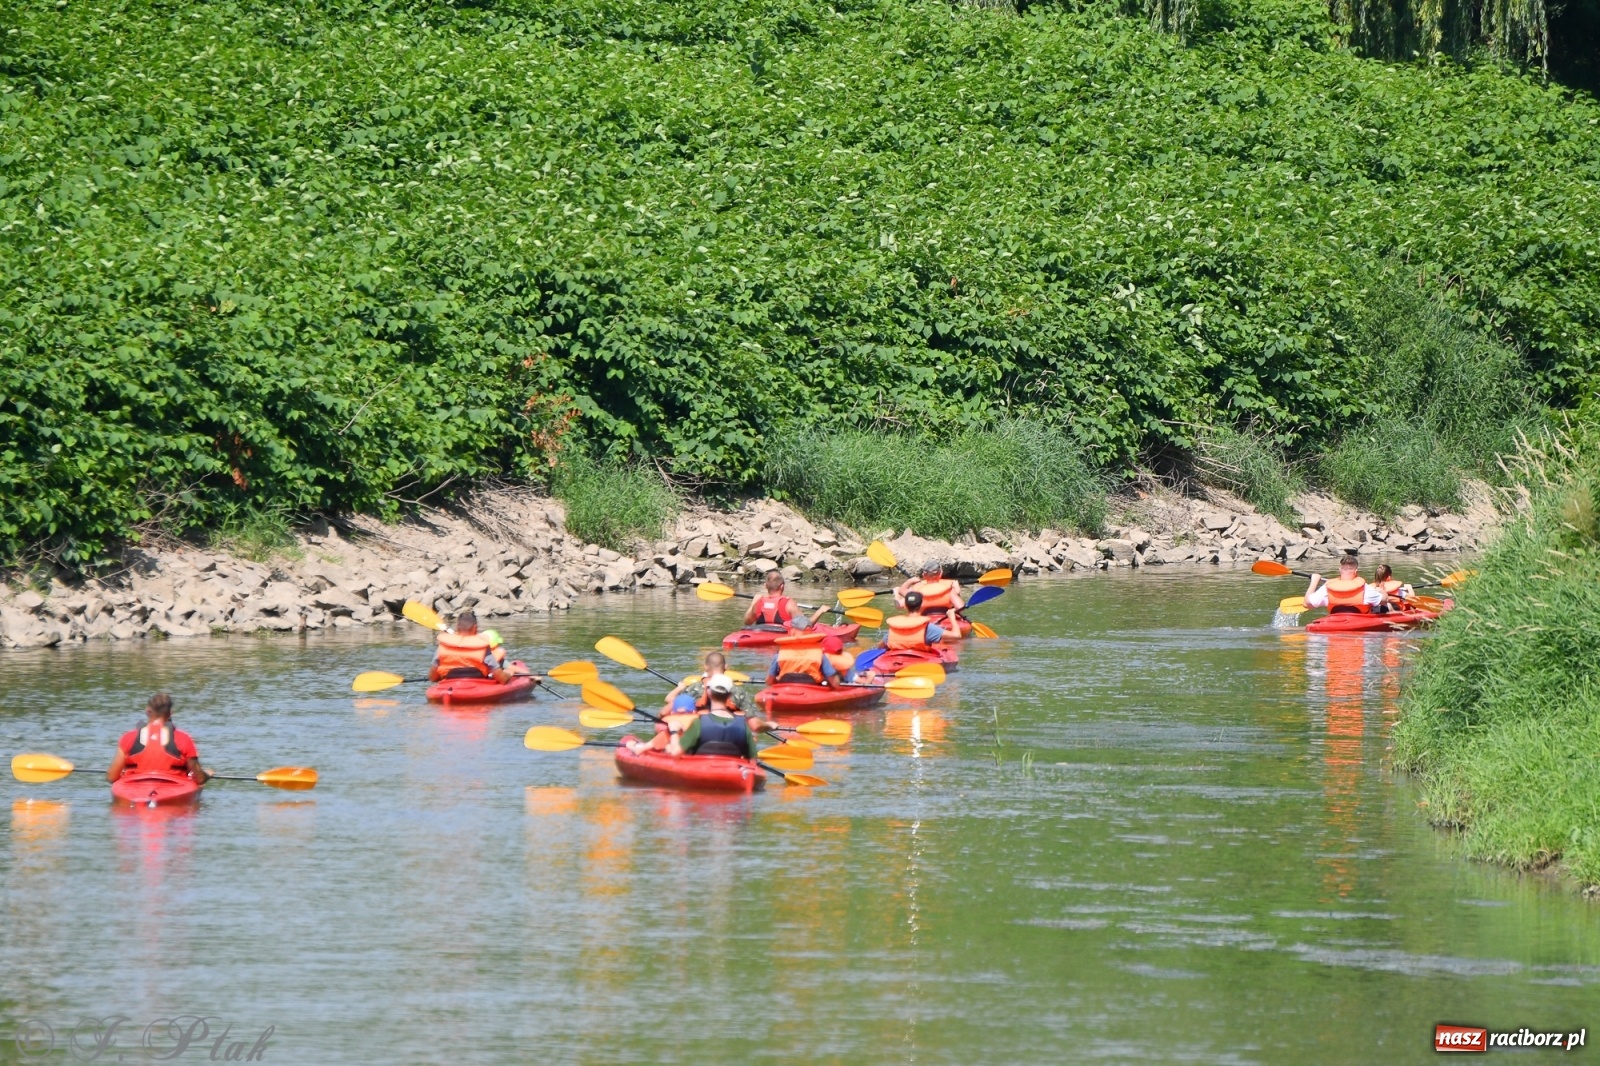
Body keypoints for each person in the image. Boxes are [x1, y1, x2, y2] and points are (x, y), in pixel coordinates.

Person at [625, 675, 773, 756]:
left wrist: (675, 732)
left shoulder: (698, 723)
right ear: (729, 695)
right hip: (732, 768)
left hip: (700, 765)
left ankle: (642, 748)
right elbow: (752, 761)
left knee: (672, 737)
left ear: (708, 692)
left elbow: (676, 752)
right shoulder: (743, 724)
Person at [107, 693, 209, 785]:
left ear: (147, 711)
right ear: (170, 714)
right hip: (173, 788)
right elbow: (200, 778)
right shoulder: (184, 739)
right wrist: (207, 774)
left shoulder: (127, 737)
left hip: (135, 787)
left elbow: (111, 777)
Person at [429, 610, 511, 683]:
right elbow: (502, 679)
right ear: (475, 628)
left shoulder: (443, 646)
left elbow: (433, 678)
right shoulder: (482, 647)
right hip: (477, 688)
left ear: (457, 627)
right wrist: (509, 674)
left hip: (450, 687)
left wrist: (442, 676)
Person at [662, 651, 755, 715]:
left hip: (703, 735)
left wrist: (680, 687)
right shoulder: (738, 691)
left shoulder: (695, 689)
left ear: (705, 667)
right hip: (730, 738)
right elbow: (752, 722)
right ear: (725, 667)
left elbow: (669, 700)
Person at [742, 571, 829, 632]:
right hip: (781, 640)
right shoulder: (788, 603)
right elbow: (805, 626)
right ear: (782, 586)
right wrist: (820, 611)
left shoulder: (759, 603)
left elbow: (747, 622)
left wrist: (753, 603)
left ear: (765, 586)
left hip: (760, 639)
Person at [895, 559, 964, 634]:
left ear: (924, 575)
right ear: (940, 573)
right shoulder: (949, 590)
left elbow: (900, 601)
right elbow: (961, 608)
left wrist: (897, 593)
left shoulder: (916, 591)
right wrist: (957, 591)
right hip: (946, 621)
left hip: (924, 622)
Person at [1304, 555, 1384, 615]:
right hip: (1359, 627)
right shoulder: (1365, 588)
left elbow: (1307, 604)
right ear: (1356, 571)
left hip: (1334, 627)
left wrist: (1314, 581)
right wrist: (1381, 590)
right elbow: (1384, 601)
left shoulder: (1327, 588)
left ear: (1340, 570)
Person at [767, 630, 845, 688]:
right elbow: (834, 683)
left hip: (785, 687)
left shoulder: (779, 655)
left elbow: (769, 681)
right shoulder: (819, 655)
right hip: (812, 688)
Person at [882, 591, 947, 651]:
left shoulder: (895, 625)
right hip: (921, 659)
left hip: (896, 658)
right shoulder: (927, 627)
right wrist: (952, 617)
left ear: (905, 606)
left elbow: (880, 646)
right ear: (921, 606)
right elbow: (956, 636)